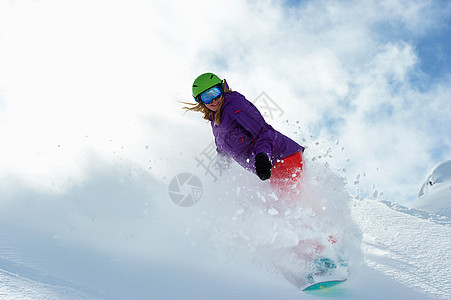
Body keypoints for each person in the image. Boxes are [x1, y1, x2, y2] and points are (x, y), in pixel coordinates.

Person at [185, 73, 306, 198]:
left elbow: (264, 131)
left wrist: (262, 156)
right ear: (200, 101)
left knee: (291, 204)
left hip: (283, 157)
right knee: (286, 206)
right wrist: (221, 168)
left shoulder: (235, 106)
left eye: (215, 93)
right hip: (274, 164)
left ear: (221, 88)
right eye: (207, 97)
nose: (213, 100)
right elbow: (221, 146)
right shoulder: (216, 120)